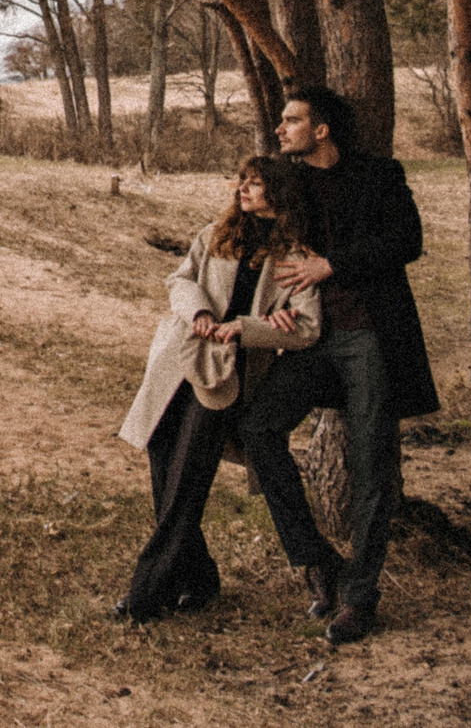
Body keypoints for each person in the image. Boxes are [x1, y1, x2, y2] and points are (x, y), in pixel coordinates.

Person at [237, 84, 440, 646]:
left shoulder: (380, 176)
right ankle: (319, 561)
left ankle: (360, 597)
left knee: (372, 463)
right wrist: (272, 310)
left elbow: (407, 241)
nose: (280, 129)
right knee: (259, 428)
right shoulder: (287, 180)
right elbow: (256, 241)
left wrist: (332, 265)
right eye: (281, 121)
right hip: (308, 337)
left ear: (321, 130)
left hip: (368, 336)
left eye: (291, 121)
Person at [109, 154, 322, 623]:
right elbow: (180, 279)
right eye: (242, 181)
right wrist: (201, 312)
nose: (243, 189)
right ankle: (200, 578)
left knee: (188, 477)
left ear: (279, 193)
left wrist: (249, 328)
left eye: (255, 183)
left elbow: (307, 328)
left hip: (227, 374)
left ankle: (148, 591)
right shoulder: (216, 235)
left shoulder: (295, 258)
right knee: (163, 462)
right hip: (180, 359)